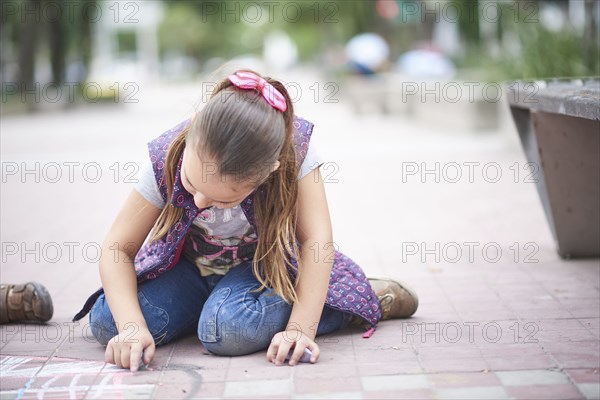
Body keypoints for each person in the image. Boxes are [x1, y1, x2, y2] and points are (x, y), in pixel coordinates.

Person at [72, 70, 418, 371]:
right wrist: (133, 328)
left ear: (268, 172)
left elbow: (316, 242)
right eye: (191, 184)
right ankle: (209, 310)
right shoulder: (166, 154)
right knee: (108, 322)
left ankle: (348, 301)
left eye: (224, 199)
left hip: (263, 270)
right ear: (193, 128)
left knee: (228, 332)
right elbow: (118, 248)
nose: (200, 202)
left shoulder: (293, 153)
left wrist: (300, 329)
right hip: (189, 270)